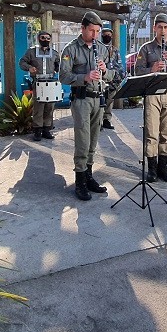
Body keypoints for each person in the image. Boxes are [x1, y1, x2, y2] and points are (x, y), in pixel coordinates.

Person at [59, 11, 114, 201]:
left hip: (98, 98)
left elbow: (113, 74)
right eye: (92, 31)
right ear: (82, 28)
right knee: (82, 141)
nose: (95, 35)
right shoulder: (71, 49)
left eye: (98, 31)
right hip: (81, 99)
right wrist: (84, 77)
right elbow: (63, 77)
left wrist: (105, 71)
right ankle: (80, 180)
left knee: (93, 141)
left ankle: (89, 176)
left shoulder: (102, 48)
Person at [134, 13, 167, 183]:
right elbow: (136, 71)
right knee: (151, 132)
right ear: (154, 28)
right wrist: (152, 68)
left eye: (165, 27)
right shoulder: (146, 48)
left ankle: (163, 167)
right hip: (152, 95)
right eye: (159, 27)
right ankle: (152, 169)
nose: (162, 31)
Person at [19, 31, 57, 141]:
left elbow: (59, 64)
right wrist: (29, 67)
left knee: (49, 106)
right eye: (43, 37)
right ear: (38, 39)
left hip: (50, 82)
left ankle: (46, 130)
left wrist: (57, 68)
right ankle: (37, 131)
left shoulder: (54, 53)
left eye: (48, 38)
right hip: (38, 82)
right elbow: (21, 62)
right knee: (39, 106)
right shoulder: (31, 52)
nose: (45, 40)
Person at [100, 27, 124, 130]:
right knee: (100, 101)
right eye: (105, 35)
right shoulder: (98, 48)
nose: (107, 37)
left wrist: (119, 75)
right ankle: (98, 122)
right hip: (100, 79)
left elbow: (119, 64)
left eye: (109, 35)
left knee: (110, 100)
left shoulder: (114, 50)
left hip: (112, 79)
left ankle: (106, 120)